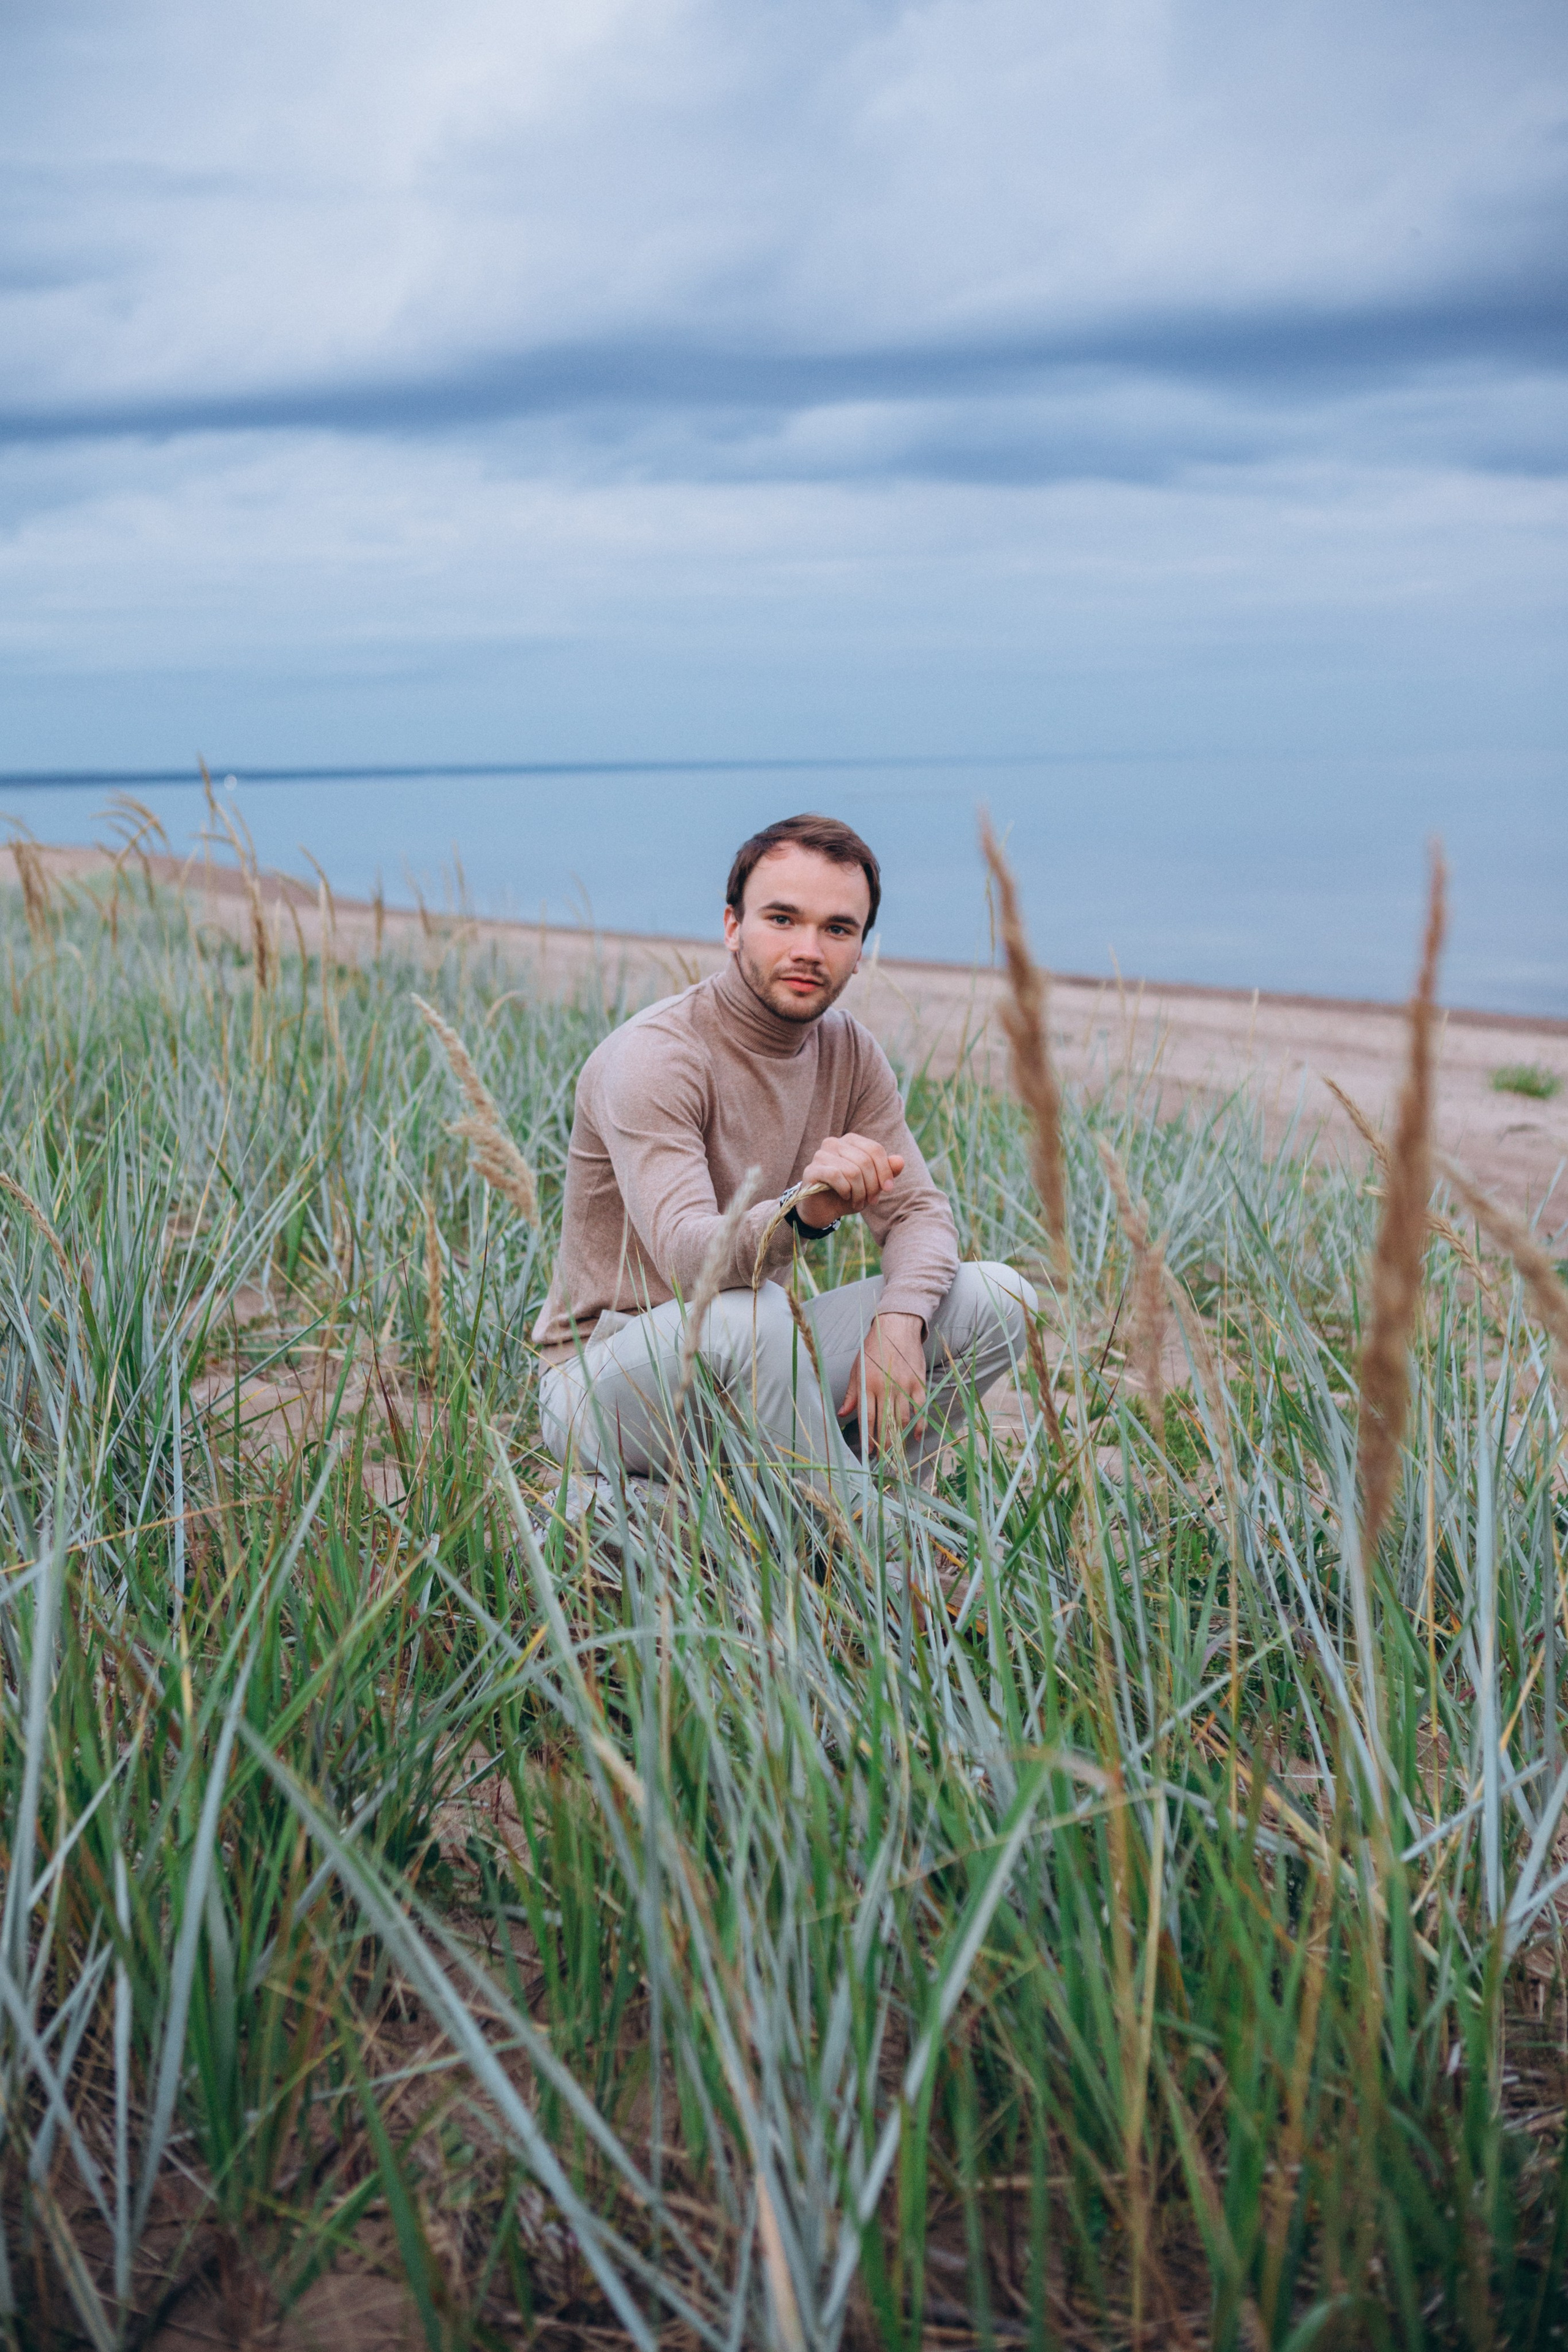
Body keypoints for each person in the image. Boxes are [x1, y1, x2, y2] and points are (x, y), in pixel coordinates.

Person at [533, 813, 1036, 1505]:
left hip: (755, 1361)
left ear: (861, 949)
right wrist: (805, 1214)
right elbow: (690, 1262)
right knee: (754, 1313)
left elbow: (919, 1211)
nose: (809, 949)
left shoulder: (848, 1051)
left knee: (997, 1298)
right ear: (732, 927)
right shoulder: (655, 1056)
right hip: (605, 1384)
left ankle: (881, 1494)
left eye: (837, 929)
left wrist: (901, 1321)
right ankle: (874, 1549)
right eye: (781, 919)